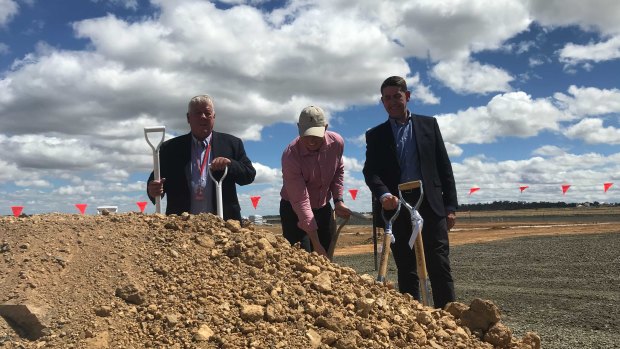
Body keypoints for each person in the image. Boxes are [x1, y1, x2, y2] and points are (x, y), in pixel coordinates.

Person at [363, 76, 458, 309]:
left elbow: (444, 166)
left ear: (408, 96)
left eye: (397, 96)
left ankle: (450, 319)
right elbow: (371, 172)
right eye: (387, 98)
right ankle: (415, 320)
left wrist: (450, 207)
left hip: (430, 204)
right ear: (382, 102)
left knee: (439, 263)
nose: (393, 102)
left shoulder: (429, 125)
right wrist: (384, 195)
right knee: (406, 267)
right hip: (396, 207)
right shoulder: (375, 135)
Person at [147, 95, 256, 221]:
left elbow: (249, 175)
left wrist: (230, 164)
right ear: (188, 118)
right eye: (198, 113)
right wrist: (153, 190)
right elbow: (155, 181)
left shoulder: (232, 144)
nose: (203, 116)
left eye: (207, 113)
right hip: (181, 226)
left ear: (214, 117)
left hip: (225, 225)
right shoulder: (169, 148)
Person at [280, 106, 351, 257]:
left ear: (325, 127)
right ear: (299, 128)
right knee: (302, 257)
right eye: (306, 135)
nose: (311, 141)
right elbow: (300, 200)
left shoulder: (336, 143)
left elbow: (338, 170)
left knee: (327, 258)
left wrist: (338, 200)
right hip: (294, 209)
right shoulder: (290, 155)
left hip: (322, 206)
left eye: (316, 135)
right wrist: (316, 244)